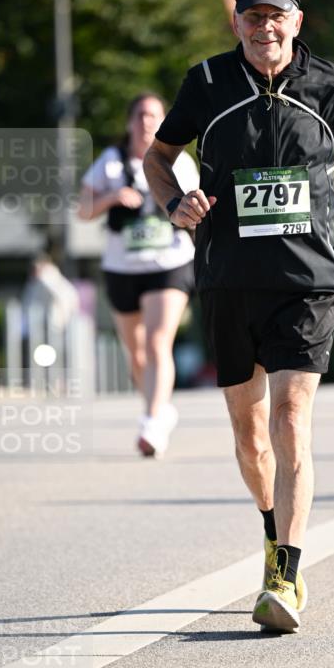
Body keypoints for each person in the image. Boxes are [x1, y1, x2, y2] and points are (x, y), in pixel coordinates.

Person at [144, 0, 334, 633]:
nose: (264, 26)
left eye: (275, 15)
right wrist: (175, 200)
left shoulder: (331, 85)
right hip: (227, 279)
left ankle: (284, 571)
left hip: (307, 279)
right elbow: (157, 155)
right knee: (250, 437)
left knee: (290, 414)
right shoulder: (207, 84)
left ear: (296, 22)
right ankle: (270, 524)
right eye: (252, 16)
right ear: (236, 24)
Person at [79, 93, 199, 457]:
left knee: (157, 342)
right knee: (136, 354)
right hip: (122, 267)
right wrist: (113, 198)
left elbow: (196, 203)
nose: (147, 122)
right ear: (130, 122)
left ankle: (150, 424)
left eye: (155, 116)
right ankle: (160, 409)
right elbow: (83, 210)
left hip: (169, 264)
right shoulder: (110, 163)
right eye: (142, 115)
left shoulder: (180, 162)